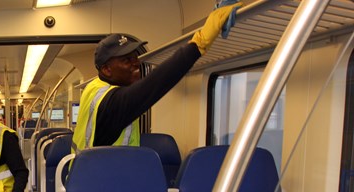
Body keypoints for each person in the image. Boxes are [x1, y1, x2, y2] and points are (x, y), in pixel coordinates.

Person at [72, 2, 242, 151]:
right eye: (126, 60)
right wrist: (199, 43)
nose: (136, 63)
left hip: (100, 177)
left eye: (135, 57)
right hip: (98, 183)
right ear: (106, 70)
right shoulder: (111, 104)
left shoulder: (95, 87)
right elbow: (155, 83)